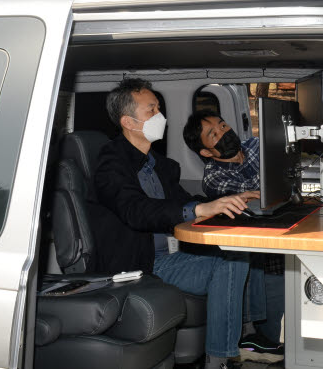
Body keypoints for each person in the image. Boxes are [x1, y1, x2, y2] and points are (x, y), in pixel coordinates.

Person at [93, 78, 257, 369]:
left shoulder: (158, 165)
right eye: (151, 109)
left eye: (159, 106)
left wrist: (232, 199)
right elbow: (136, 210)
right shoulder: (111, 164)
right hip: (142, 262)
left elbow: (181, 201)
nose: (161, 116)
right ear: (129, 122)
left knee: (238, 250)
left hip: (171, 254)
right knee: (231, 260)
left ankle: (248, 339)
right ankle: (220, 360)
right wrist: (199, 207)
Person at [184, 110, 285, 365]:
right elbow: (261, 196)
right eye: (213, 135)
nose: (223, 133)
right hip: (261, 259)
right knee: (279, 337)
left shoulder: (255, 146)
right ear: (206, 152)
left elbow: (279, 176)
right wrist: (269, 187)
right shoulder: (214, 179)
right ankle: (252, 339)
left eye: (223, 126)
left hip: (282, 241)